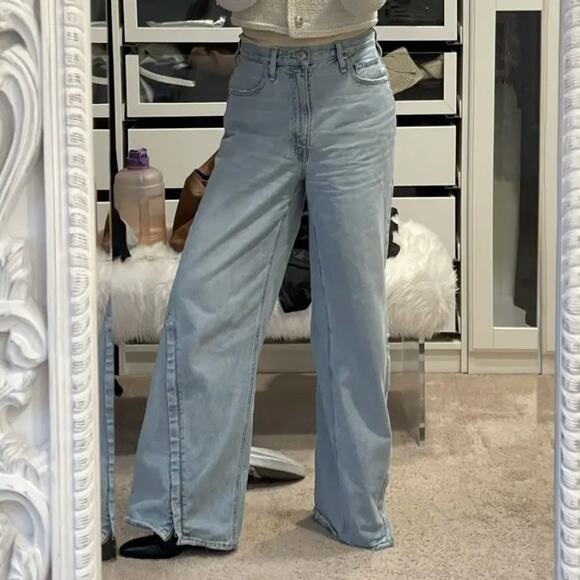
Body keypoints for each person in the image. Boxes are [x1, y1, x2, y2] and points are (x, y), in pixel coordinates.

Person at [120, 0, 396, 559]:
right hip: (259, 90)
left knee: (355, 320)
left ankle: (354, 512)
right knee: (204, 299)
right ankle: (185, 512)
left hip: (353, 85)